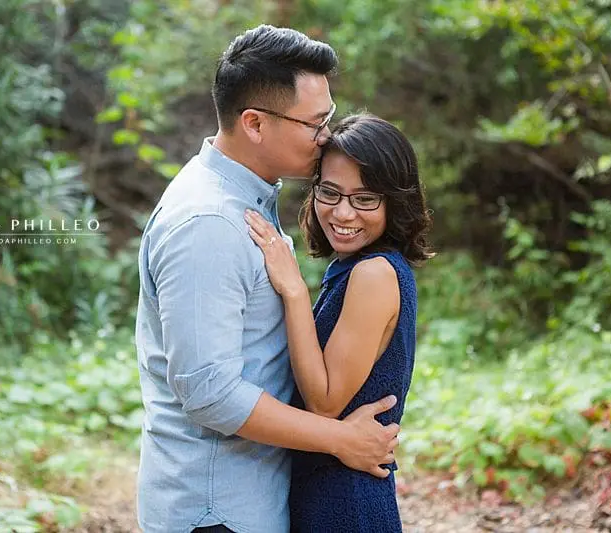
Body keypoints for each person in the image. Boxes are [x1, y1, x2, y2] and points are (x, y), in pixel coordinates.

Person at [134, 26, 400, 533]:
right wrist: (338, 438)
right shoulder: (208, 224)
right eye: (315, 124)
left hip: (250, 499)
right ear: (254, 123)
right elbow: (209, 391)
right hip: (216, 511)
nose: (327, 139)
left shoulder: (247, 199)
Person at [245, 113, 434, 532]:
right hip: (328, 487)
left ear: (394, 201)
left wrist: (294, 290)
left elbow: (326, 402)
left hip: (345, 500)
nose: (343, 213)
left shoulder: (375, 273)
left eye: (365, 198)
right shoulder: (356, 268)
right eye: (330, 192)